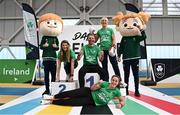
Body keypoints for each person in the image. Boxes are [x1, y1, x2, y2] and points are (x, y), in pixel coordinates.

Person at [112, 11, 151, 96]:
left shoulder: (136, 36)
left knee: (136, 75)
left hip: (135, 58)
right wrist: (119, 55)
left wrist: (141, 29)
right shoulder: (124, 38)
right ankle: (126, 90)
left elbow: (144, 37)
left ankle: (137, 90)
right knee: (126, 76)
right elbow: (121, 47)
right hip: (126, 59)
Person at [41, 75, 126, 109]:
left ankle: (50, 102)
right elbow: (92, 89)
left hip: (91, 101)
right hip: (88, 91)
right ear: (111, 80)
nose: (114, 82)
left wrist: (121, 104)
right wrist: (98, 83)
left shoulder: (117, 92)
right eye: (113, 80)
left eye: (116, 81)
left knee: (71, 102)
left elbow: (122, 100)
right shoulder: (104, 84)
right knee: (70, 93)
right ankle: (52, 97)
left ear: (118, 83)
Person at [39, 13, 63, 95]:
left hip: (53, 58)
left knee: (53, 75)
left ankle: (53, 89)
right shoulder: (44, 37)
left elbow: (58, 48)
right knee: (46, 75)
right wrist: (43, 46)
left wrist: (55, 46)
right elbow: (41, 47)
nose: (52, 25)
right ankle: (47, 89)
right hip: (45, 58)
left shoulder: (55, 38)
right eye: (48, 23)